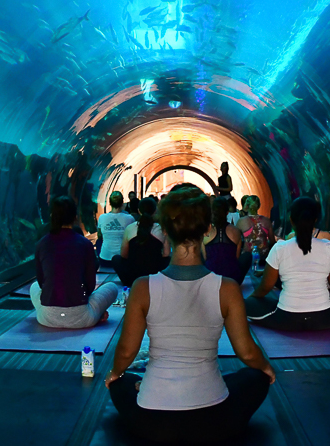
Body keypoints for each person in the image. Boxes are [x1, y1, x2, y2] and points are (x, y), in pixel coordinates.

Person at [106, 184, 274, 442]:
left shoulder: (143, 287)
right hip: (213, 421)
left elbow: (127, 352)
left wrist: (115, 374)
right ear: (207, 229)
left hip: (153, 422)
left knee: (120, 383)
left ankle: (146, 386)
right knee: (255, 377)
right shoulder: (227, 288)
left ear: (165, 230)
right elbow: (247, 352)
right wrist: (266, 368)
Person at [244, 197, 330, 331]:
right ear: (315, 220)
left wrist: (252, 299)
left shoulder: (280, 248)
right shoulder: (327, 246)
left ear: (291, 220)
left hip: (287, 319)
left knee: (248, 305)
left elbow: (265, 287)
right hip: (323, 319)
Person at [30, 196, 117, 328]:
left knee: (33, 286)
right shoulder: (85, 244)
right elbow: (90, 284)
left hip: (47, 318)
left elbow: (41, 281)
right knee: (112, 287)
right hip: (82, 318)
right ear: (75, 216)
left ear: (52, 216)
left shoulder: (41, 244)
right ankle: (97, 313)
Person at [111, 197, 170, 287]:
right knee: (169, 260)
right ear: (155, 211)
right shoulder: (161, 229)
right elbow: (166, 254)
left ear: (139, 211)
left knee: (116, 259)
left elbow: (123, 255)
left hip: (132, 276)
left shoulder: (130, 228)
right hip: (155, 275)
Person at [202, 197, 246, 284]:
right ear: (227, 213)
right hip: (231, 277)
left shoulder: (206, 231)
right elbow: (236, 257)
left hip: (211, 275)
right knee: (247, 256)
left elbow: (204, 257)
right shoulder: (235, 231)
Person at [98, 191, 135, 265]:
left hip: (105, 258)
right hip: (122, 258)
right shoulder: (129, 218)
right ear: (122, 203)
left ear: (110, 203)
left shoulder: (102, 217)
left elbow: (99, 236)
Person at [237, 195, 273, 269]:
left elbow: (236, 242)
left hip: (247, 259)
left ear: (246, 206)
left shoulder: (241, 222)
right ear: (259, 206)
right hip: (264, 258)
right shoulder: (266, 221)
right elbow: (272, 242)